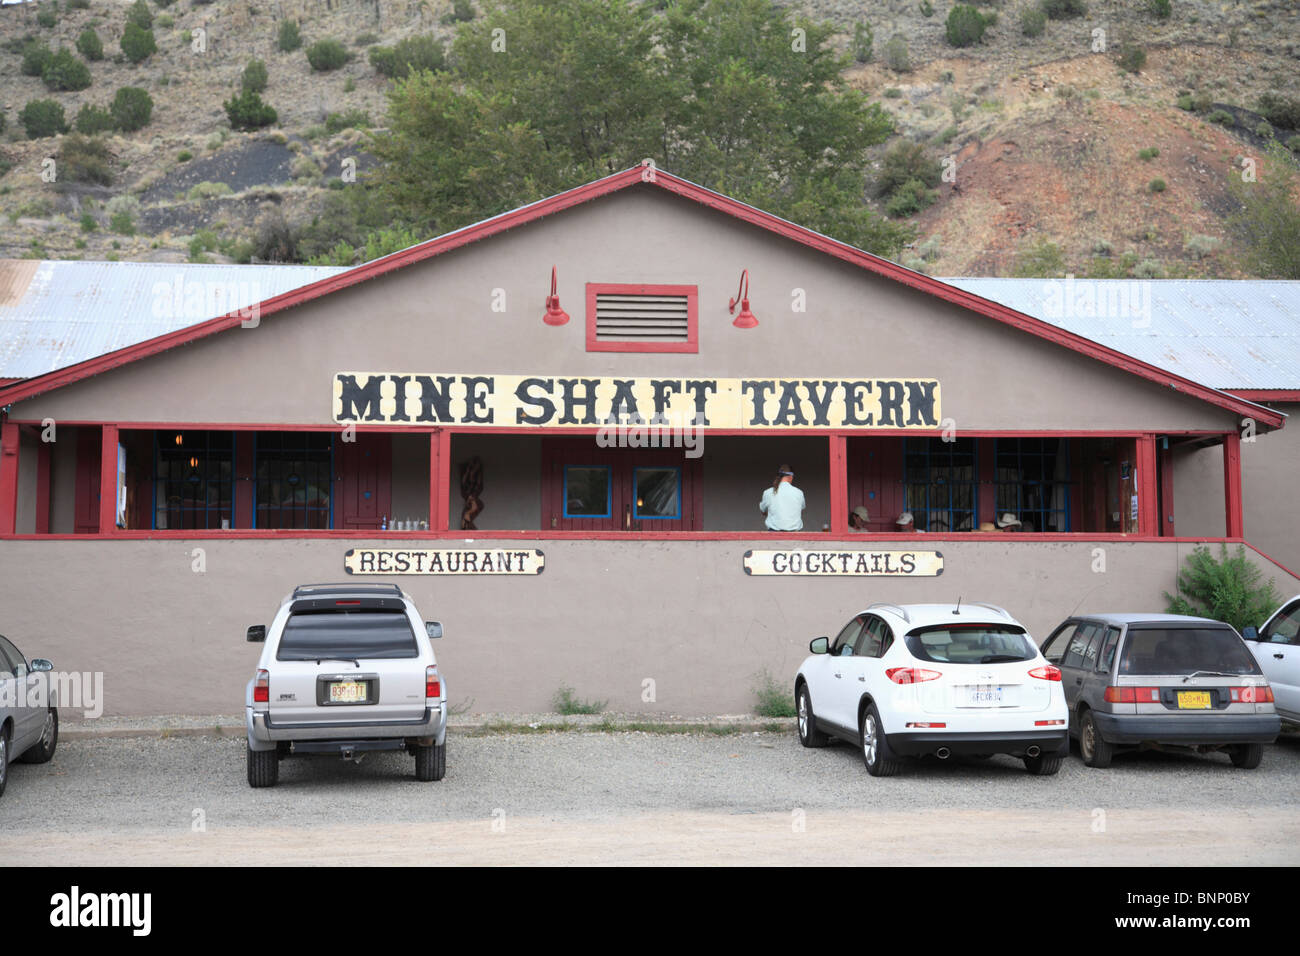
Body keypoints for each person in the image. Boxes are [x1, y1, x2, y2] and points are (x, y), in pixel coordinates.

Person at [759, 464, 805, 531]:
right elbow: (801, 510)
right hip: (795, 534)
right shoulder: (799, 492)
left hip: (773, 534)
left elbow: (763, 511)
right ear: (791, 476)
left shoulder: (768, 492)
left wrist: (775, 515)